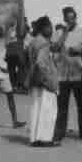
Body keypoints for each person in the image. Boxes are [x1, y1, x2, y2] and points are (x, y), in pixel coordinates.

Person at [52, 6, 82, 142]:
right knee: (62, 106)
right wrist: (65, 33)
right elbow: (55, 48)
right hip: (62, 75)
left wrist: (80, 52)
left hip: (78, 74)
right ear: (64, 19)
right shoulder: (58, 33)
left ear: (76, 18)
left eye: (73, 18)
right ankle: (59, 132)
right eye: (68, 19)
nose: (71, 21)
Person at [25, 16, 60, 147]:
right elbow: (40, 63)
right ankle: (45, 139)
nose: (51, 30)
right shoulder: (44, 43)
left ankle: (35, 138)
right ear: (44, 28)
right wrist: (48, 79)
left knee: (36, 109)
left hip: (34, 80)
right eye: (50, 27)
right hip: (44, 81)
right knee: (48, 110)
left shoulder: (33, 42)